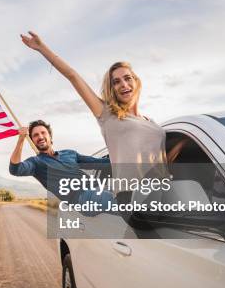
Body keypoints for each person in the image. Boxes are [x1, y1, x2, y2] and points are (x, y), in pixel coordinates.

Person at [20, 31, 187, 190]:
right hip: (133, 197)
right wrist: (42, 48)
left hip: (163, 193)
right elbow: (73, 76)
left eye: (127, 78)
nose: (123, 84)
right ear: (112, 88)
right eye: (116, 82)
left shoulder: (152, 124)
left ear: (136, 82)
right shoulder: (107, 115)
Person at [9, 120, 113, 208]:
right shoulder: (35, 163)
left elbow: (98, 163)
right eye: (35, 135)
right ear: (32, 141)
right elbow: (15, 169)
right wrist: (21, 140)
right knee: (123, 202)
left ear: (50, 136)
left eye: (43, 133)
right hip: (83, 199)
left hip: (99, 189)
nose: (40, 137)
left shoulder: (70, 153)